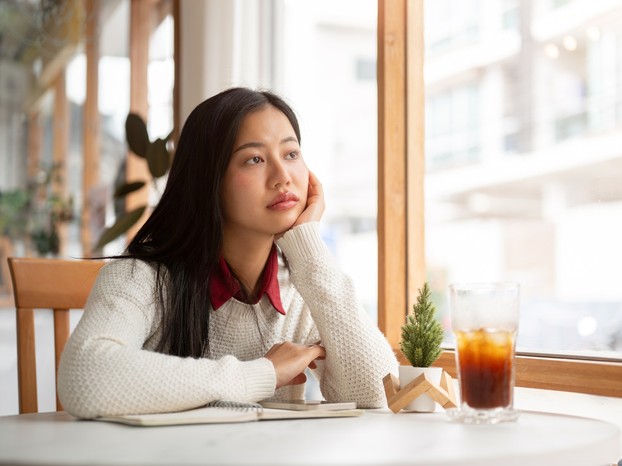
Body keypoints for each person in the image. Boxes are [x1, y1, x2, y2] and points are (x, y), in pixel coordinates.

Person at [57, 87, 398, 418]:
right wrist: (263, 374)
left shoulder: (304, 286)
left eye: (291, 154)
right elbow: (86, 376)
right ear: (208, 179)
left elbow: (379, 394)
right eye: (254, 159)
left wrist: (308, 245)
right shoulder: (142, 279)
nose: (283, 177)